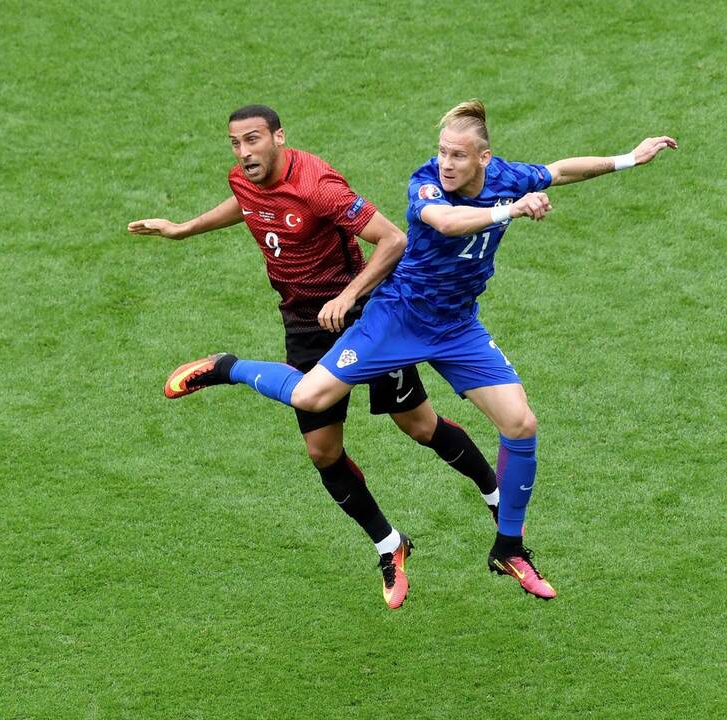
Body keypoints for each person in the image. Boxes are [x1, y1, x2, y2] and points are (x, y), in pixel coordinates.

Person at [166, 99, 677, 601]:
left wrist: (629, 158)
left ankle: (510, 547)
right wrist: (512, 210)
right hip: (397, 319)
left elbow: (560, 171)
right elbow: (446, 222)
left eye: (457, 155)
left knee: (519, 423)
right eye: (441, 152)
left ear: (484, 158)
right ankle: (229, 368)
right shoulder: (426, 184)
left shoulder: (506, 176)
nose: (446, 163)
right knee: (309, 399)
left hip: (458, 328)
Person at [131, 104, 502, 610]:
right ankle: (391, 546)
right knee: (322, 451)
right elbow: (247, 204)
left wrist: (349, 296)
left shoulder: (318, 184)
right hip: (304, 321)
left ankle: (496, 499)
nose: (244, 153)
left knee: (416, 425)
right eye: (236, 143)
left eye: (254, 140)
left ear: (278, 137)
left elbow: (392, 239)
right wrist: (183, 228)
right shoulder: (246, 179)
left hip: (366, 317)